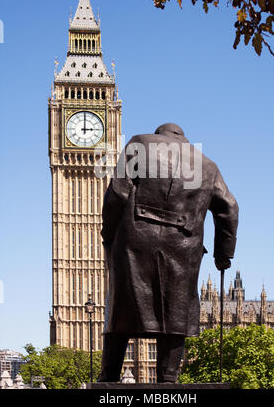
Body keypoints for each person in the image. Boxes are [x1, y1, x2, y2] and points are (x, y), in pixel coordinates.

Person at [98, 123, 239, 383]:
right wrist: (224, 253)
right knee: (177, 313)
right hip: (183, 246)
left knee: (120, 309)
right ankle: (169, 380)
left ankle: (108, 378)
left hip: (135, 240)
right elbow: (229, 207)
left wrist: (108, 234)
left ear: (159, 133)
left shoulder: (140, 143)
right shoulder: (206, 164)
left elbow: (117, 193)